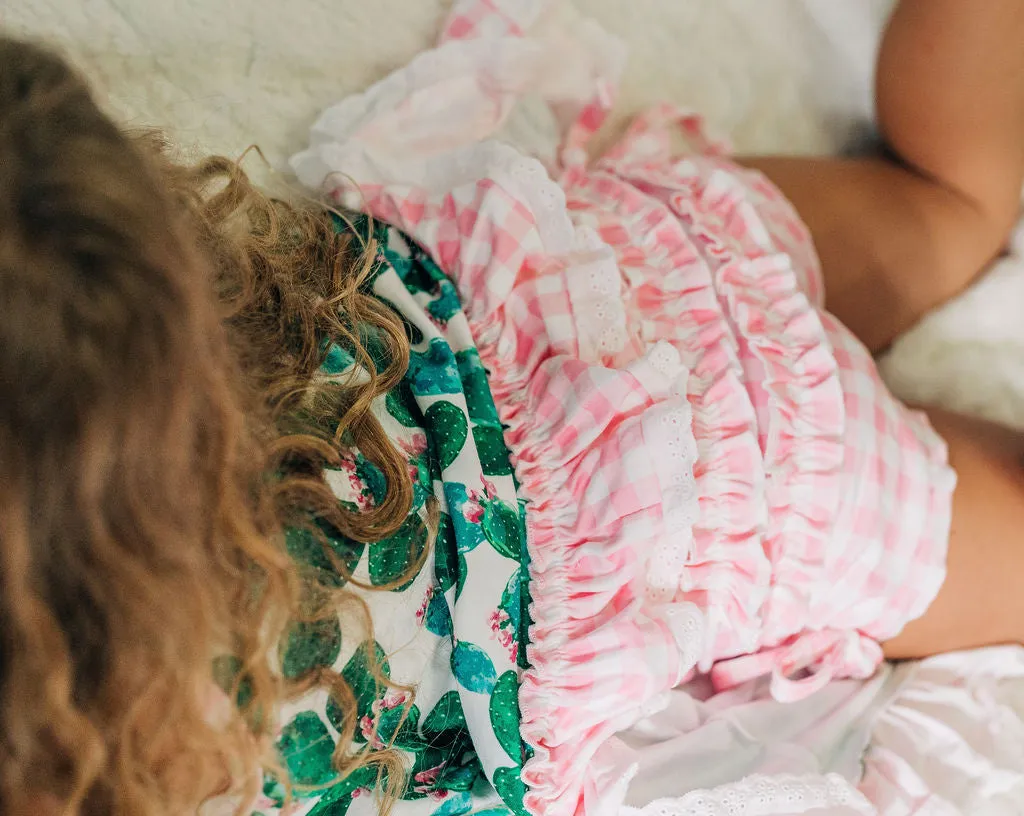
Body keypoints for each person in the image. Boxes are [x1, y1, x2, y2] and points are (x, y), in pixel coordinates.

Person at [3, 1, 1024, 815]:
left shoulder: (102, 733)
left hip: (712, 511)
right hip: (551, 275)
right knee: (949, 196)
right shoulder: (73, 292)